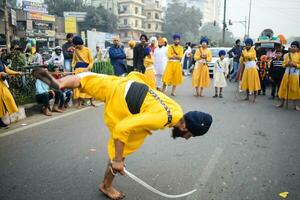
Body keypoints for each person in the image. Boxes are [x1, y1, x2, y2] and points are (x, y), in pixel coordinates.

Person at [32, 67, 213, 200]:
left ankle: (61, 83)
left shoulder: (177, 109)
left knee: (84, 77)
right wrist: (118, 159)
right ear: (185, 128)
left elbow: (152, 95)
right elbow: (122, 129)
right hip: (121, 103)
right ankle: (106, 185)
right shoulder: (162, 118)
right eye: (190, 135)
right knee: (122, 147)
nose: (187, 138)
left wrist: (145, 123)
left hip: (121, 84)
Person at [72, 35, 95, 108]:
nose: (75, 46)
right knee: (78, 86)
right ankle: (79, 103)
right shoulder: (75, 51)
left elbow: (91, 61)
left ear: (79, 44)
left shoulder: (87, 50)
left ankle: (91, 101)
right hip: (78, 71)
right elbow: (74, 61)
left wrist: (88, 68)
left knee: (89, 85)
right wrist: (73, 68)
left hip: (86, 70)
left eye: (76, 45)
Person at [277, 41, 300, 111]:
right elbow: (283, 64)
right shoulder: (287, 55)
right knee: (284, 88)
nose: (293, 48)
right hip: (287, 74)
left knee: (294, 89)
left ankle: (295, 105)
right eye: (292, 46)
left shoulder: (299, 55)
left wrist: (294, 65)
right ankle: (281, 103)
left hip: (294, 74)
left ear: (297, 48)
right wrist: (287, 64)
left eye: (294, 47)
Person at [0, 60, 23, 128]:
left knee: (8, 98)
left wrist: (16, 73)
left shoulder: (0, 62)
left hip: (1, 84)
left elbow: (7, 70)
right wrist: (0, 74)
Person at [239, 38, 261, 102]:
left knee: (254, 83)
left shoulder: (253, 50)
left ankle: (255, 97)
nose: (247, 46)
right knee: (246, 82)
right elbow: (241, 61)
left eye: (248, 45)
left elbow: (247, 56)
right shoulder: (244, 51)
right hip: (247, 68)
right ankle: (247, 96)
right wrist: (242, 56)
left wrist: (244, 52)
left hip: (252, 68)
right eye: (246, 45)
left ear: (251, 45)